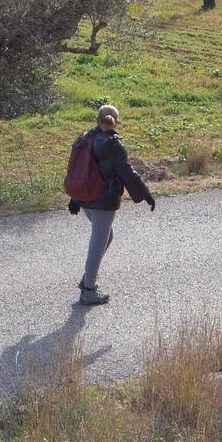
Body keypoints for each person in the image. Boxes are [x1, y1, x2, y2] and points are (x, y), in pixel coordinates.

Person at [68, 103, 155, 306]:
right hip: (103, 201)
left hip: (86, 198)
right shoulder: (113, 145)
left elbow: (79, 170)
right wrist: (146, 194)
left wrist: (74, 198)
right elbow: (127, 173)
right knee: (97, 244)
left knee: (107, 237)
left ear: (96, 119)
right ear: (117, 122)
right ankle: (88, 290)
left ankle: (87, 280)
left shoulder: (84, 138)